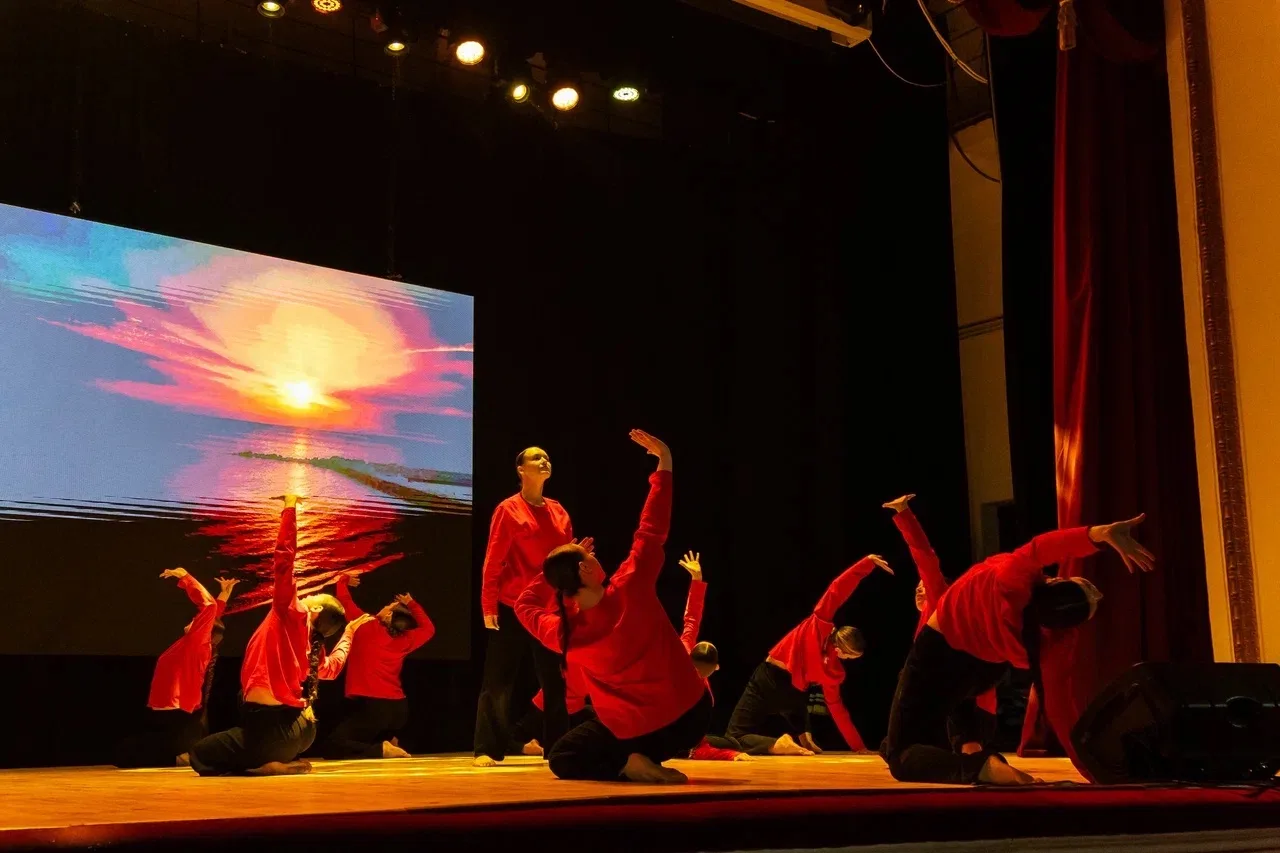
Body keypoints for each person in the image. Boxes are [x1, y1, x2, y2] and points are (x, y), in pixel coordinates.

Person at [880, 514, 1155, 786]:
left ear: (1054, 582)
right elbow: (1061, 711)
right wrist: (1094, 774)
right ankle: (973, 752)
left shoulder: (1014, 581)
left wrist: (1097, 534)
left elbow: (1041, 548)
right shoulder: (1053, 642)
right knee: (946, 719)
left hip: (940, 655)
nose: (1100, 594)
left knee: (900, 756)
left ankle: (981, 767)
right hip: (984, 674)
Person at [516, 430, 710, 783]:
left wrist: (551, 575)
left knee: (563, 757)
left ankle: (628, 764)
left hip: (640, 730)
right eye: (589, 555)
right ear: (585, 570)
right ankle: (638, 760)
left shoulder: (563, 633)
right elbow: (651, 530)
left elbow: (524, 605)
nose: (595, 556)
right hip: (690, 718)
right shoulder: (630, 587)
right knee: (581, 743)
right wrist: (665, 463)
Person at [189, 495, 371, 776]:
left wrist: (289, 507)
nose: (307, 595)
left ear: (316, 609)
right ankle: (270, 760)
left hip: (270, 734)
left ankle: (264, 767)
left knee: (200, 755)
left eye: (314, 596)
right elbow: (332, 669)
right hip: (302, 734)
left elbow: (284, 560)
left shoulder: (291, 613)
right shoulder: (313, 644)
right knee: (239, 717)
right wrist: (349, 632)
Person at [726, 554, 890, 756]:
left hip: (769, 680)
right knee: (798, 702)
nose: (846, 661)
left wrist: (866, 563)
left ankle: (779, 743)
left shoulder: (819, 624)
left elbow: (837, 590)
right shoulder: (834, 671)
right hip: (795, 696)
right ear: (840, 651)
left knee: (735, 736)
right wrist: (859, 746)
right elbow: (837, 709)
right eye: (849, 658)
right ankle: (805, 738)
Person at [474, 446, 573, 766]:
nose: (545, 461)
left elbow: (566, 563)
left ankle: (557, 748)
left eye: (547, 457)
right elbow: (493, 560)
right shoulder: (509, 509)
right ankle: (487, 748)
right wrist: (488, 605)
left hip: (549, 610)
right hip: (512, 605)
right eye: (536, 458)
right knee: (499, 680)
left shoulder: (559, 512)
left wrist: (570, 603)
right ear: (521, 470)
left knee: (556, 682)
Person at [884, 494, 997, 755]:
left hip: (970, 706)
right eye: (917, 588)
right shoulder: (929, 620)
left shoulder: (941, 600)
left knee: (964, 752)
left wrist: (903, 513)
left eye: (924, 585)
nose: (919, 590)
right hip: (955, 702)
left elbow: (924, 555)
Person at [113, 570, 238, 768]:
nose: (194, 621)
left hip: (177, 709)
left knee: (127, 754)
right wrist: (224, 595)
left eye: (198, 621)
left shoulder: (197, 642)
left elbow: (209, 608)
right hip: (179, 710)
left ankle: (182, 757)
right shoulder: (201, 644)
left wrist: (185, 577)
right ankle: (184, 754)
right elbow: (214, 615)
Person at [318, 573, 435, 760]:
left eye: (389, 606)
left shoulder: (366, 626)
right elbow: (428, 629)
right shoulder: (406, 639)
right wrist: (412, 604)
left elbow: (344, 602)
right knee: (363, 732)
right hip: (398, 710)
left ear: (388, 615)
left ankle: (382, 749)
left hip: (375, 707)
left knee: (332, 746)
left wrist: (343, 581)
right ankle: (387, 739)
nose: (385, 606)